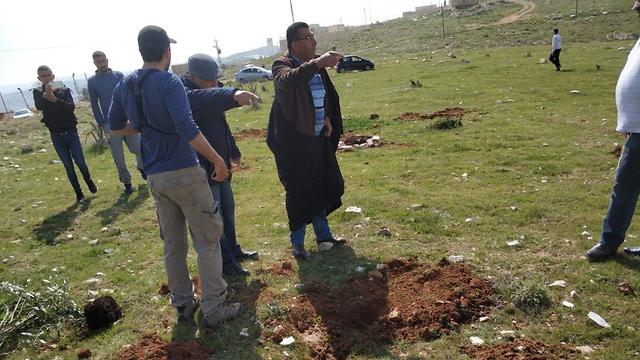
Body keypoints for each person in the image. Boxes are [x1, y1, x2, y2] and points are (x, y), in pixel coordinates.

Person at [108, 25, 240, 328]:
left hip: (155, 177)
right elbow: (187, 128)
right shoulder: (168, 81)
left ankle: (182, 302)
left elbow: (115, 127)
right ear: (167, 51)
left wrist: (146, 126)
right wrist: (217, 159)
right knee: (207, 240)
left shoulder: (124, 85)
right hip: (185, 172)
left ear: (141, 50)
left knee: (173, 244)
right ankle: (213, 306)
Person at [267, 22, 346, 260]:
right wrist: (317, 63)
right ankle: (297, 244)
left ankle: (324, 237)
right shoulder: (282, 65)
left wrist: (327, 119)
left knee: (322, 185)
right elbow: (287, 81)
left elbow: (322, 98)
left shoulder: (317, 68)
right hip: (294, 144)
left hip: (318, 139)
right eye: (308, 37)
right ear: (295, 44)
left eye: (313, 36)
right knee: (299, 192)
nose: (314, 41)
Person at [180, 53, 260, 276]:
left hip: (223, 163)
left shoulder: (212, 92)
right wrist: (231, 95)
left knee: (229, 210)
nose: (214, 85)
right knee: (216, 217)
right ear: (192, 76)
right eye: (209, 81)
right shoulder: (185, 94)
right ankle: (226, 263)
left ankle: (234, 251)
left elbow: (221, 125)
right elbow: (203, 100)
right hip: (205, 167)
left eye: (216, 80)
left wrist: (233, 151)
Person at [586, 1, 640, 261]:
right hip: (637, 129)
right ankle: (609, 241)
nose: (635, 8)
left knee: (625, 185)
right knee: (626, 185)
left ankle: (608, 243)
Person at [33, 65, 97, 203]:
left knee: (80, 162)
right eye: (43, 76)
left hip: (71, 132)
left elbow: (71, 107)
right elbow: (38, 106)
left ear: (53, 75)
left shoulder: (63, 89)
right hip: (56, 134)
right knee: (68, 166)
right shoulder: (38, 92)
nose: (46, 78)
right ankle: (79, 194)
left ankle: (88, 180)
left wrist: (55, 99)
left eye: (48, 75)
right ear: (39, 78)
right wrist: (45, 97)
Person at [88, 51, 144, 195]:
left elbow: (129, 95)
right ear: (94, 63)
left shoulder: (119, 76)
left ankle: (142, 167)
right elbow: (94, 104)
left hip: (127, 120)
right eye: (98, 62)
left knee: (138, 149)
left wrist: (134, 115)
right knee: (118, 157)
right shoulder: (92, 81)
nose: (101, 64)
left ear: (107, 60)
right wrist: (101, 123)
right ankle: (127, 182)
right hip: (109, 124)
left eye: (103, 61)